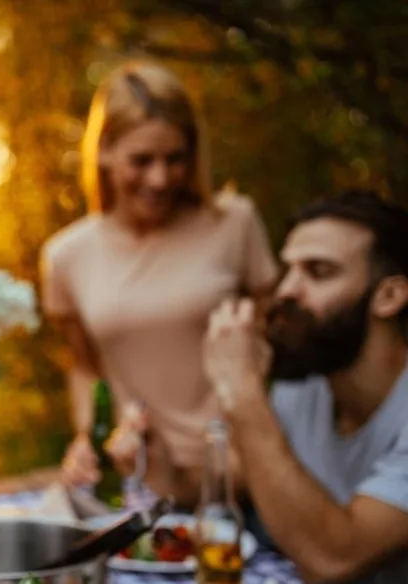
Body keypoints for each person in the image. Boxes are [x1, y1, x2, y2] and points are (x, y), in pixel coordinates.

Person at [40, 60, 279, 505]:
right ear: (105, 151)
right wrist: (88, 438)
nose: (160, 178)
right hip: (138, 484)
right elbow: (85, 367)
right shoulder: (66, 255)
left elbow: (275, 340)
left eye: (175, 159)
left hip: (241, 477)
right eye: (142, 160)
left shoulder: (234, 222)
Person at [203, 190, 408, 584]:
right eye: (288, 270)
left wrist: (242, 391)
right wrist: (149, 451)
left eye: (318, 272)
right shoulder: (306, 384)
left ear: (388, 296)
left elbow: (330, 558)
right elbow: (223, 483)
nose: (286, 291)